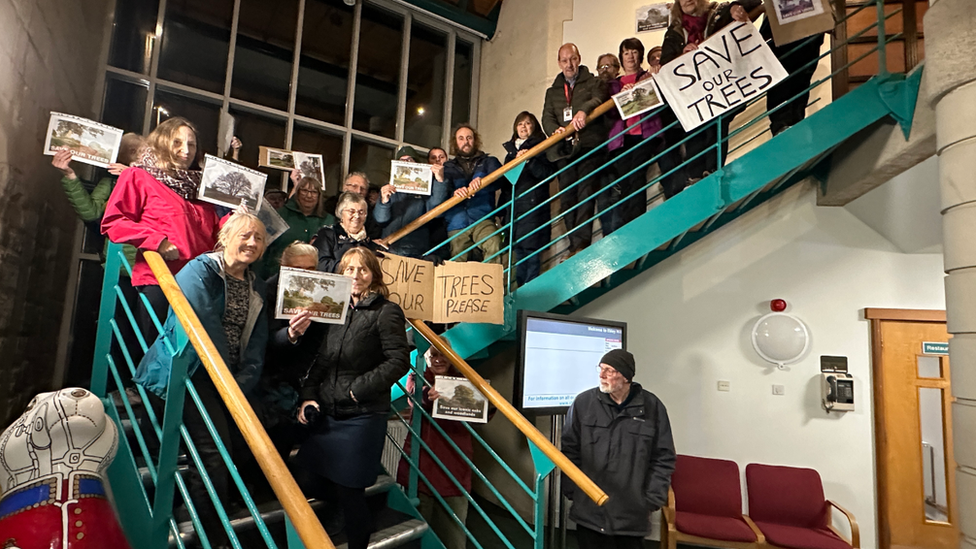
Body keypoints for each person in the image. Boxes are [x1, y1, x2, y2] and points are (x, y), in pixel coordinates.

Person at [134, 212, 269, 546]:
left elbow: (257, 341)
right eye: (245, 235)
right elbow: (203, 327)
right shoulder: (200, 270)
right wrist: (227, 383)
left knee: (235, 446)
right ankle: (213, 537)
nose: (252, 243)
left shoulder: (257, 285)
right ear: (225, 237)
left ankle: (194, 510)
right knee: (213, 452)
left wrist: (242, 382)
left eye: (259, 238)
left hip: (229, 380)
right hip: (194, 372)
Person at [296, 247, 410, 549]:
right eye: (349, 269)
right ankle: (341, 513)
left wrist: (357, 389)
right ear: (340, 274)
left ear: (373, 275)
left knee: (352, 493)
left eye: (362, 269)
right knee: (307, 478)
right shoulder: (334, 308)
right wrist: (308, 396)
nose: (356, 275)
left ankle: (359, 538)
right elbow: (321, 360)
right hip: (329, 414)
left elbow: (399, 360)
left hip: (362, 415)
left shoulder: (386, 311)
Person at [101, 117, 226, 336]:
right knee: (159, 355)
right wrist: (157, 241)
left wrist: (235, 219)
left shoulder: (203, 191)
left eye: (191, 144)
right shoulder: (138, 176)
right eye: (177, 142)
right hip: (160, 280)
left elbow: (214, 233)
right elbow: (113, 221)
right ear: (161, 142)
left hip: (200, 285)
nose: (185, 151)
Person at [561, 349, 676, 549]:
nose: (601, 375)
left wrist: (651, 499)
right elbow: (569, 450)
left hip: (631, 516)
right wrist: (574, 490)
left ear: (625, 376)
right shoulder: (583, 403)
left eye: (609, 370)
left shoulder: (653, 408)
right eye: (601, 368)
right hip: (590, 513)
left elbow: (663, 457)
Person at [395, 341, 492, 549]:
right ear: (426, 358)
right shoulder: (417, 376)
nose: (438, 359)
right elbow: (415, 396)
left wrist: (488, 401)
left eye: (443, 354)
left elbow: (486, 411)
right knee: (418, 533)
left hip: (454, 466)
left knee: (453, 537)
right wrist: (428, 398)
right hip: (422, 466)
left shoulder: (465, 379)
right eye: (433, 355)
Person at [658, 0, 759, 198]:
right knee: (696, 131)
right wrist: (681, 54)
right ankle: (695, 176)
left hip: (722, 86)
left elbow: (754, 2)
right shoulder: (674, 32)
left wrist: (735, 9)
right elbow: (665, 65)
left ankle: (712, 171)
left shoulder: (719, 13)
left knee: (718, 128)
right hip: (693, 94)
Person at [542, 43, 610, 256]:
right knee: (568, 199)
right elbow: (546, 118)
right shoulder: (552, 91)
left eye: (572, 59)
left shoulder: (593, 81)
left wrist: (583, 111)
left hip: (588, 146)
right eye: (564, 60)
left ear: (579, 59)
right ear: (559, 63)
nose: (569, 64)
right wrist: (557, 131)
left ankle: (581, 245)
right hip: (564, 150)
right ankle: (575, 245)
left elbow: (599, 98)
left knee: (586, 194)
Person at [259, 242, 319, 460]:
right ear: (284, 268)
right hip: (272, 379)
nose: (305, 276)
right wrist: (290, 334)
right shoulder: (268, 290)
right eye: (298, 270)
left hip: (305, 377)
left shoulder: (321, 291)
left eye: (311, 270)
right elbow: (262, 339)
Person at [52, 133, 144, 268]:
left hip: (154, 262)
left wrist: (136, 178)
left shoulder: (160, 184)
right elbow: (90, 213)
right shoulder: (111, 183)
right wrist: (69, 175)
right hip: (119, 263)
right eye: (142, 155)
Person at [605, 38, 664, 235]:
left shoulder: (648, 76)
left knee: (637, 176)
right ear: (621, 57)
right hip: (621, 139)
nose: (630, 56)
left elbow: (659, 104)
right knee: (625, 180)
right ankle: (627, 226)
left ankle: (635, 225)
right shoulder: (612, 85)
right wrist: (620, 97)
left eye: (634, 52)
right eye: (626, 52)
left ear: (640, 54)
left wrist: (651, 80)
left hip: (645, 134)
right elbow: (610, 115)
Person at [500, 112, 554, 286]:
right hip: (514, 208)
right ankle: (520, 291)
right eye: (519, 124)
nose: (523, 127)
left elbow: (547, 175)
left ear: (534, 127)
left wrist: (529, 159)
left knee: (531, 251)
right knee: (518, 251)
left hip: (533, 207)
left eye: (528, 123)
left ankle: (528, 291)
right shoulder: (510, 153)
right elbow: (506, 184)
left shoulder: (542, 147)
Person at [759, 8, 828, 136]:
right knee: (782, 83)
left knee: (800, 83)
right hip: (783, 34)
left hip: (807, 36)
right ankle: (782, 125)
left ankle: (793, 123)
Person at [442, 124, 504, 263]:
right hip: (456, 221)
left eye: (469, 138)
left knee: (494, 243)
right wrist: (454, 193)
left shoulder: (489, 161)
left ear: (475, 141)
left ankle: (489, 284)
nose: (466, 142)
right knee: (457, 258)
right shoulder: (447, 167)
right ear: (455, 142)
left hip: (483, 218)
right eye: (461, 138)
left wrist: (484, 182)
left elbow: (501, 181)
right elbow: (441, 192)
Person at [374, 146, 449, 259]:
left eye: (409, 160)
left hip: (415, 250)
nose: (406, 163)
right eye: (402, 161)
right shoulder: (388, 188)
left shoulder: (426, 189)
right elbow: (381, 219)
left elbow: (436, 210)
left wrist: (439, 181)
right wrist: (384, 202)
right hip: (389, 248)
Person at [257, 176, 336, 279]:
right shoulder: (280, 215)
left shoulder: (329, 220)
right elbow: (264, 246)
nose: (308, 195)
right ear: (297, 193)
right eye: (304, 190)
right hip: (277, 275)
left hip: (315, 278)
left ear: (319, 196)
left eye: (313, 192)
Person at [312, 191, 384, 273]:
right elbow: (320, 264)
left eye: (361, 212)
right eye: (351, 211)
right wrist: (350, 268)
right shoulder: (328, 234)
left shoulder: (369, 242)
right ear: (341, 213)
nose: (357, 216)